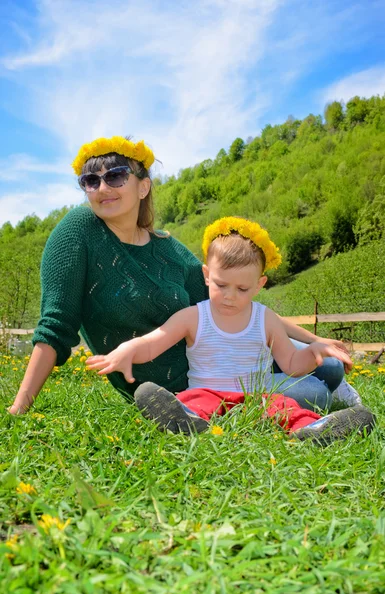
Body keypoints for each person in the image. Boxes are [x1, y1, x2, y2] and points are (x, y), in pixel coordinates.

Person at [7, 135, 357, 416]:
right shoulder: (77, 231)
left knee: (330, 366)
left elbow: (235, 304)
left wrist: (314, 339)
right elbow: (55, 326)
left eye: (115, 176)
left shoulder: (167, 248)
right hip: (179, 388)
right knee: (314, 391)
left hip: (230, 359)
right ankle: (310, 402)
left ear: (142, 186)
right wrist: (21, 404)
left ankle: (331, 388)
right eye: (90, 181)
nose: (102, 188)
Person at [86, 217, 375, 443]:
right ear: (206, 276)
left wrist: (312, 352)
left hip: (258, 397)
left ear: (260, 285)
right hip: (208, 392)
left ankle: (314, 430)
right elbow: (152, 343)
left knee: (285, 407)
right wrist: (126, 350)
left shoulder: (266, 319)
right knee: (190, 401)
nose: (230, 296)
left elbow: (290, 364)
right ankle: (184, 421)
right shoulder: (193, 317)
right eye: (221, 285)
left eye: (243, 289)